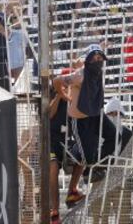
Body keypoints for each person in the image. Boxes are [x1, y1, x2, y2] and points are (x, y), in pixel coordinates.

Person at [53, 44, 118, 174]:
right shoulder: (80, 75)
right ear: (88, 60)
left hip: (95, 114)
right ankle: (73, 153)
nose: (98, 61)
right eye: (94, 58)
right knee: (87, 157)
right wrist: (62, 95)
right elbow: (56, 80)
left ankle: (96, 166)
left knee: (114, 136)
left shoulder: (98, 71)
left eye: (100, 58)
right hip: (80, 119)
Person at [91, 98, 133, 224]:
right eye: (112, 113)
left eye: (118, 113)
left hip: (122, 177)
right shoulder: (97, 132)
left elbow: (130, 156)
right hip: (101, 177)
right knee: (99, 215)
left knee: (123, 215)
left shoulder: (128, 133)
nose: (115, 116)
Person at [49, 91, 85, 224]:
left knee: (83, 155)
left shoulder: (76, 99)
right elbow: (49, 115)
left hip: (69, 142)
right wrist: (59, 95)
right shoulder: (54, 98)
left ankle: (71, 192)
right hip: (52, 143)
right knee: (52, 167)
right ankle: (55, 210)